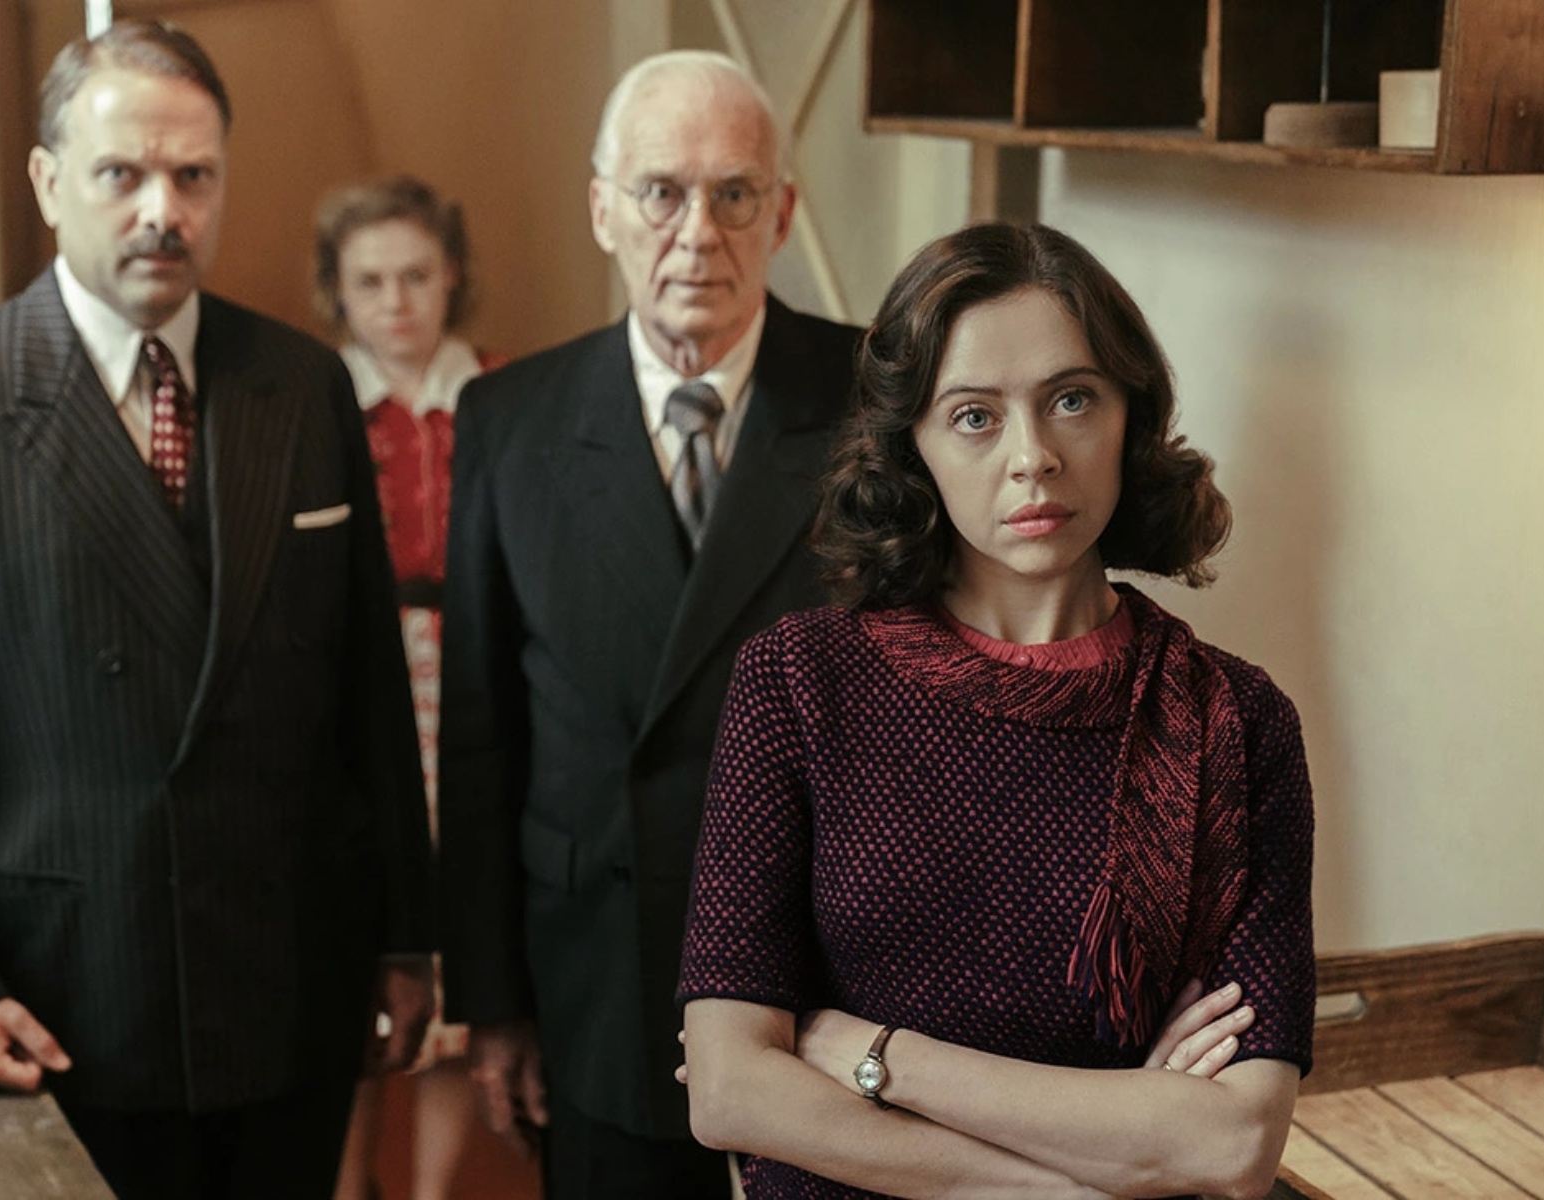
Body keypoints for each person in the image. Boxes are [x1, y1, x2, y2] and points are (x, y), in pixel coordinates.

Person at [0, 20, 433, 1199]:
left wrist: (406, 935)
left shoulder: (301, 385)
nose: (163, 210)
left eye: (193, 176)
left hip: (292, 984)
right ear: (47, 182)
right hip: (73, 997)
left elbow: (368, 693)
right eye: (121, 174)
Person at [676, 221, 1317, 1199]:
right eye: (974, 415)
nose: (1033, 457)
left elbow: (1231, 1145)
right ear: (914, 445)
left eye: (1072, 399)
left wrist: (874, 1056)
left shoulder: (1239, 721)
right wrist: (1096, 1172)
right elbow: (729, 1091)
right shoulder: (798, 681)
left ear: (1131, 415)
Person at [437, 49, 864, 1200]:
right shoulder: (507, 420)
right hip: (595, 977)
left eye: (734, 195)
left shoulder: (878, 398)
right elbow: (481, 740)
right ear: (602, 209)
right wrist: (494, 1004)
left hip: (827, 990)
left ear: (783, 214)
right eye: (661, 193)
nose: (696, 234)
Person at [315, 176, 504, 1200]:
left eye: (416, 276)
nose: (395, 302)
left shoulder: (499, 395)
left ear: (452, 277)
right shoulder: (319, 402)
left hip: (473, 685)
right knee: (361, 939)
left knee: (458, 944)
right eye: (371, 281)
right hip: (361, 691)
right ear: (338, 292)